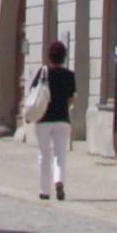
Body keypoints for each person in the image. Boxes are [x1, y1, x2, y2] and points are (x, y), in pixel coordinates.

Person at [25, 39, 79, 200]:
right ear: (64, 57)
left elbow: (33, 91)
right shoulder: (69, 75)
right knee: (60, 154)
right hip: (62, 119)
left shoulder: (44, 72)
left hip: (43, 118)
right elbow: (73, 99)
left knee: (44, 154)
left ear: (49, 56)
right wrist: (64, 105)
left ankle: (44, 191)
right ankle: (59, 182)